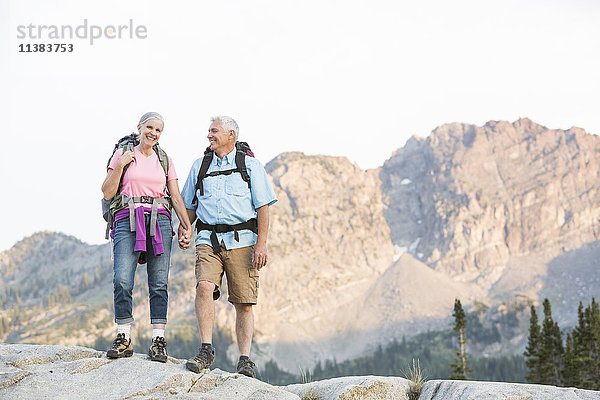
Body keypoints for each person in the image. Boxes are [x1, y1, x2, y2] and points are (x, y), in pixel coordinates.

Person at [181, 116, 277, 378]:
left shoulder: (251, 166)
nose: (209, 135)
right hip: (208, 240)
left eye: (214, 131)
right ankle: (206, 349)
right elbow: (188, 207)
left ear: (231, 135)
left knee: (243, 303)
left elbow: (263, 207)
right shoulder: (199, 166)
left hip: (243, 242)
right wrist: (185, 228)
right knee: (204, 286)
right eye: (209, 130)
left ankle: (245, 359)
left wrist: (262, 244)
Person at [101, 112, 192, 362]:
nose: (153, 133)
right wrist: (120, 165)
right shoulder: (123, 155)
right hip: (126, 219)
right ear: (139, 127)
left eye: (158, 130)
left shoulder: (165, 159)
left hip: (160, 219)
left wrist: (186, 225)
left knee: (159, 283)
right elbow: (108, 192)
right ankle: (123, 337)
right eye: (149, 127)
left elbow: (175, 195)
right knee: (122, 279)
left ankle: (158, 341)